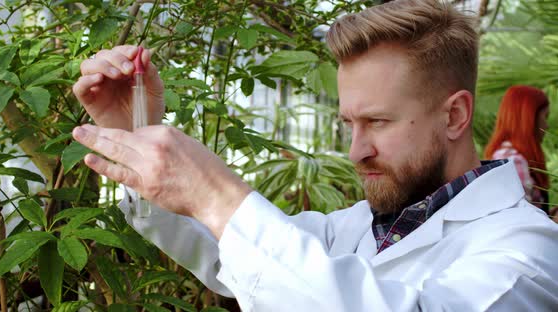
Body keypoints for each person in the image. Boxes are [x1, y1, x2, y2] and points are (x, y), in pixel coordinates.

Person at [72, 0, 558, 310]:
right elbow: (241, 257)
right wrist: (136, 128)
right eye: (349, 123)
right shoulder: (353, 228)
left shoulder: (528, 254)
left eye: (378, 122)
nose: (356, 150)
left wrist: (219, 195)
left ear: (454, 116)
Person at [484, 85, 551, 213]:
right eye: (545, 117)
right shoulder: (513, 161)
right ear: (529, 118)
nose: (546, 126)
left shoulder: (510, 157)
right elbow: (521, 221)